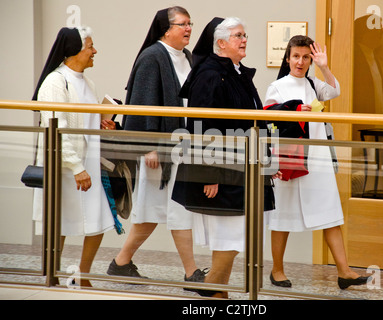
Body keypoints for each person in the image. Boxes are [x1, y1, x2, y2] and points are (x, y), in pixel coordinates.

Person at [172, 17, 276, 298]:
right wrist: (209, 173)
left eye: (244, 35)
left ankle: (219, 295)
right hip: (223, 172)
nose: (244, 40)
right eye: (237, 36)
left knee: (234, 236)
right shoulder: (208, 74)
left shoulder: (236, 71)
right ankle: (210, 290)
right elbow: (201, 126)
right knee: (230, 237)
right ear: (220, 43)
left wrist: (267, 161)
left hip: (243, 167)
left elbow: (254, 119)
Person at [106, 7, 206, 286]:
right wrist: (148, 146)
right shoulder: (152, 57)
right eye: (182, 24)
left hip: (180, 146)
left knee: (153, 211)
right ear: (165, 28)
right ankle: (191, 272)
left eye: (190, 24)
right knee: (173, 209)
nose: (188, 29)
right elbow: (141, 103)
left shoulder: (187, 57)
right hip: (158, 151)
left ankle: (121, 262)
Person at [264, 35, 371, 290]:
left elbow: (335, 90)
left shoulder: (314, 83)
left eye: (306, 57)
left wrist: (323, 66)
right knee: (282, 217)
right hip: (289, 159)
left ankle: (344, 272)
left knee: (330, 213)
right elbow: (268, 118)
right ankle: (277, 270)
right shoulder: (277, 86)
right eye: (296, 56)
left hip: (318, 160)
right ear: (288, 58)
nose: (300, 62)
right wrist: (294, 110)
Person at [32, 26, 117, 287]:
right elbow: (57, 129)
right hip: (67, 166)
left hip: (89, 163)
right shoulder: (55, 82)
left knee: (99, 220)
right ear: (72, 52)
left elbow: (84, 121)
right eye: (89, 47)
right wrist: (76, 166)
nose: (95, 51)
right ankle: (52, 274)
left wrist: (102, 122)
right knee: (60, 221)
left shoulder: (86, 82)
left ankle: (83, 274)